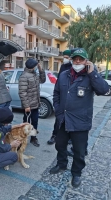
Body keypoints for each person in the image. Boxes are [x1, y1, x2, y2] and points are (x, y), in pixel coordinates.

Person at [49, 48, 109, 188]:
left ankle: (76, 173)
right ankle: (61, 164)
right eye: (75, 58)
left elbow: (103, 90)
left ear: (86, 61)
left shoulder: (91, 76)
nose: (77, 61)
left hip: (81, 121)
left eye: (80, 59)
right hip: (63, 118)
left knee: (79, 150)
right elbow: (56, 93)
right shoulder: (64, 75)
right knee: (60, 144)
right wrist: (58, 111)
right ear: (71, 59)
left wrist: (93, 73)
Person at [18, 58, 46, 147]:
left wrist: (41, 70)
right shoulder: (24, 76)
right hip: (28, 105)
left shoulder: (34, 75)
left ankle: (33, 138)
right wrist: (26, 106)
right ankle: (22, 138)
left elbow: (43, 80)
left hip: (35, 104)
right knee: (26, 123)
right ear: (32, 67)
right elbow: (22, 92)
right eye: (36, 65)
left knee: (35, 121)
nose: (37, 67)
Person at [47, 49, 72, 145]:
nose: (65, 59)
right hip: (62, 99)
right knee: (58, 120)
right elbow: (58, 84)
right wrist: (56, 105)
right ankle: (54, 135)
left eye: (67, 58)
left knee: (70, 120)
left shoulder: (74, 67)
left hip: (71, 99)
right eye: (64, 57)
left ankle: (69, 138)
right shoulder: (63, 67)